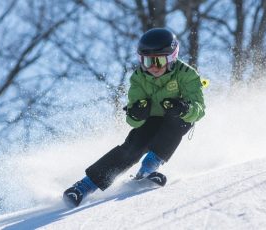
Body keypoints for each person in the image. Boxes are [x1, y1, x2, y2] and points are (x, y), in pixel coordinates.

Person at [63, 28, 205, 207]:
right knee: (133, 146)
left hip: (176, 118)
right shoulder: (138, 78)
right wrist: (137, 113)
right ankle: (83, 187)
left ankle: (148, 168)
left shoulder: (187, 74)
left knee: (178, 122)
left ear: (171, 58)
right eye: (147, 61)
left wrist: (184, 108)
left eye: (159, 61)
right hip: (151, 120)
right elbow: (132, 120)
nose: (153, 67)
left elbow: (200, 110)